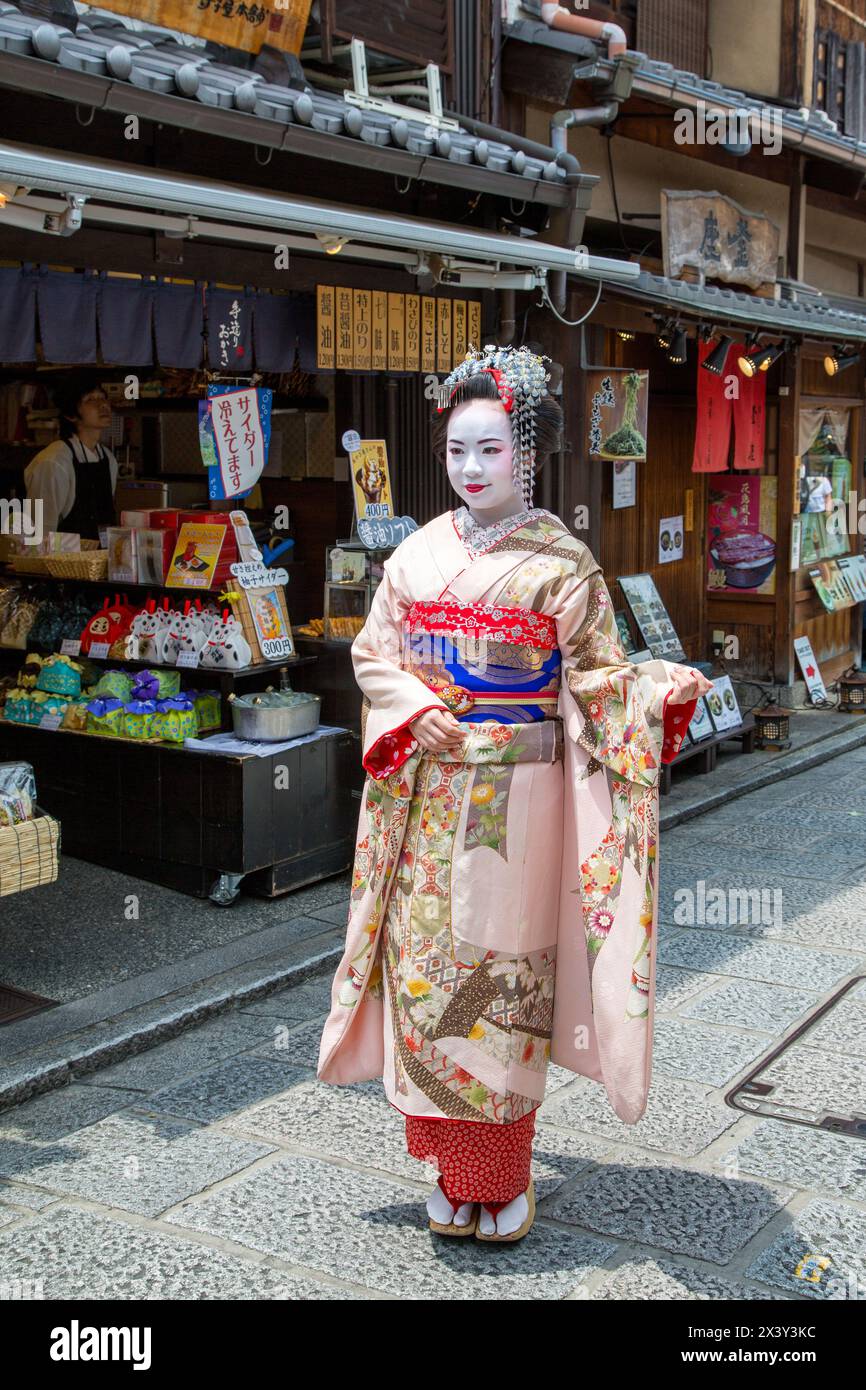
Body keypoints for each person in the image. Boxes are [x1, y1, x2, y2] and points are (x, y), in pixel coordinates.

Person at [317, 344, 712, 1243]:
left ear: (527, 456)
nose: (470, 469)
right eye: (457, 451)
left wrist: (656, 689)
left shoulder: (563, 563)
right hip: (429, 798)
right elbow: (376, 656)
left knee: (503, 975)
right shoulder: (415, 555)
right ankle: (457, 1168)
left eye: (490, 451)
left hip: (519, 798)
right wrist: (413, 706)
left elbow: (599, 680)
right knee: (429, 973)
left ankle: (502, 1173)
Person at [24, 376, 118, 540]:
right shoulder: (54, 462)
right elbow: (40, 531)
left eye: (103, 397)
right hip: (62, 562)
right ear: (71, 415)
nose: (103, 405)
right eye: (90, 400)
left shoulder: (108, 459)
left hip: (99, 560)